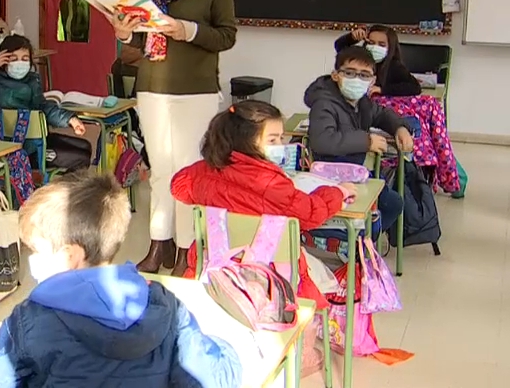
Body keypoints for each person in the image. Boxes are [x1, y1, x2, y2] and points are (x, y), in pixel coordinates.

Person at [0, 171, 242, 388]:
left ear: (70, 256)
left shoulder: (28, 321)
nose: (31, 261)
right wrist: (219, 344)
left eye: (36, 250)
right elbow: (218, 378)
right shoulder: (163, 304)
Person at [102, 0, 237, 275]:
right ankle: (157, 246)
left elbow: (227, 35)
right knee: (159, 170)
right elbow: (143, 36)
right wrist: (124, 31)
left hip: (195, 90)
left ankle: (185, 251)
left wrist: (186, 30)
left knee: (188, 172)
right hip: (152, 86)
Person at [170, 100, 354, 310]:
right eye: (272, 139)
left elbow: (178, 186)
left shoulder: (204, 171)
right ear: (246, 141)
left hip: (215, 271)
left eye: (281, 138)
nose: (280, 146)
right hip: (271, 279)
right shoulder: (274, 184)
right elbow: (312, 213)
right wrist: (338, 192)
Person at [304, 46, 413, 233]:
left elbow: (382, 114)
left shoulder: (362, 102)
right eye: (350, 73)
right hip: (330, 176)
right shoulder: (324, 102)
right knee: (384, 208)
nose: (357, 79)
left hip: (354, 172)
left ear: (373, 81)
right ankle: (354, 242)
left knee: (393, 203)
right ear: (336, 75)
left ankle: (360, 243)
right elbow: (322, 141)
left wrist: (400, 127)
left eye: (364, 75)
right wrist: (367, 141)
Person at [0, 34, 91, 171]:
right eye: (14, 59)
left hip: (36, 140)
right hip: (22, 151)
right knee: (80, 158)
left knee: (85, 146)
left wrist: (69, 118)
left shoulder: (31, 81)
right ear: (3, 61)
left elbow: (43, 107)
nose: (20, 63)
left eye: (25, 59)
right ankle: (62, 191)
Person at [334, 24, 421, 97]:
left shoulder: (394, 66)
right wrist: (351, 37)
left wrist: (382, 89)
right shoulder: (359, 59)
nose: (375, 47)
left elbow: (415, 87)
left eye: (381, 44)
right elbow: (340, 47)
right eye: (371, 43)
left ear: (390, 47)